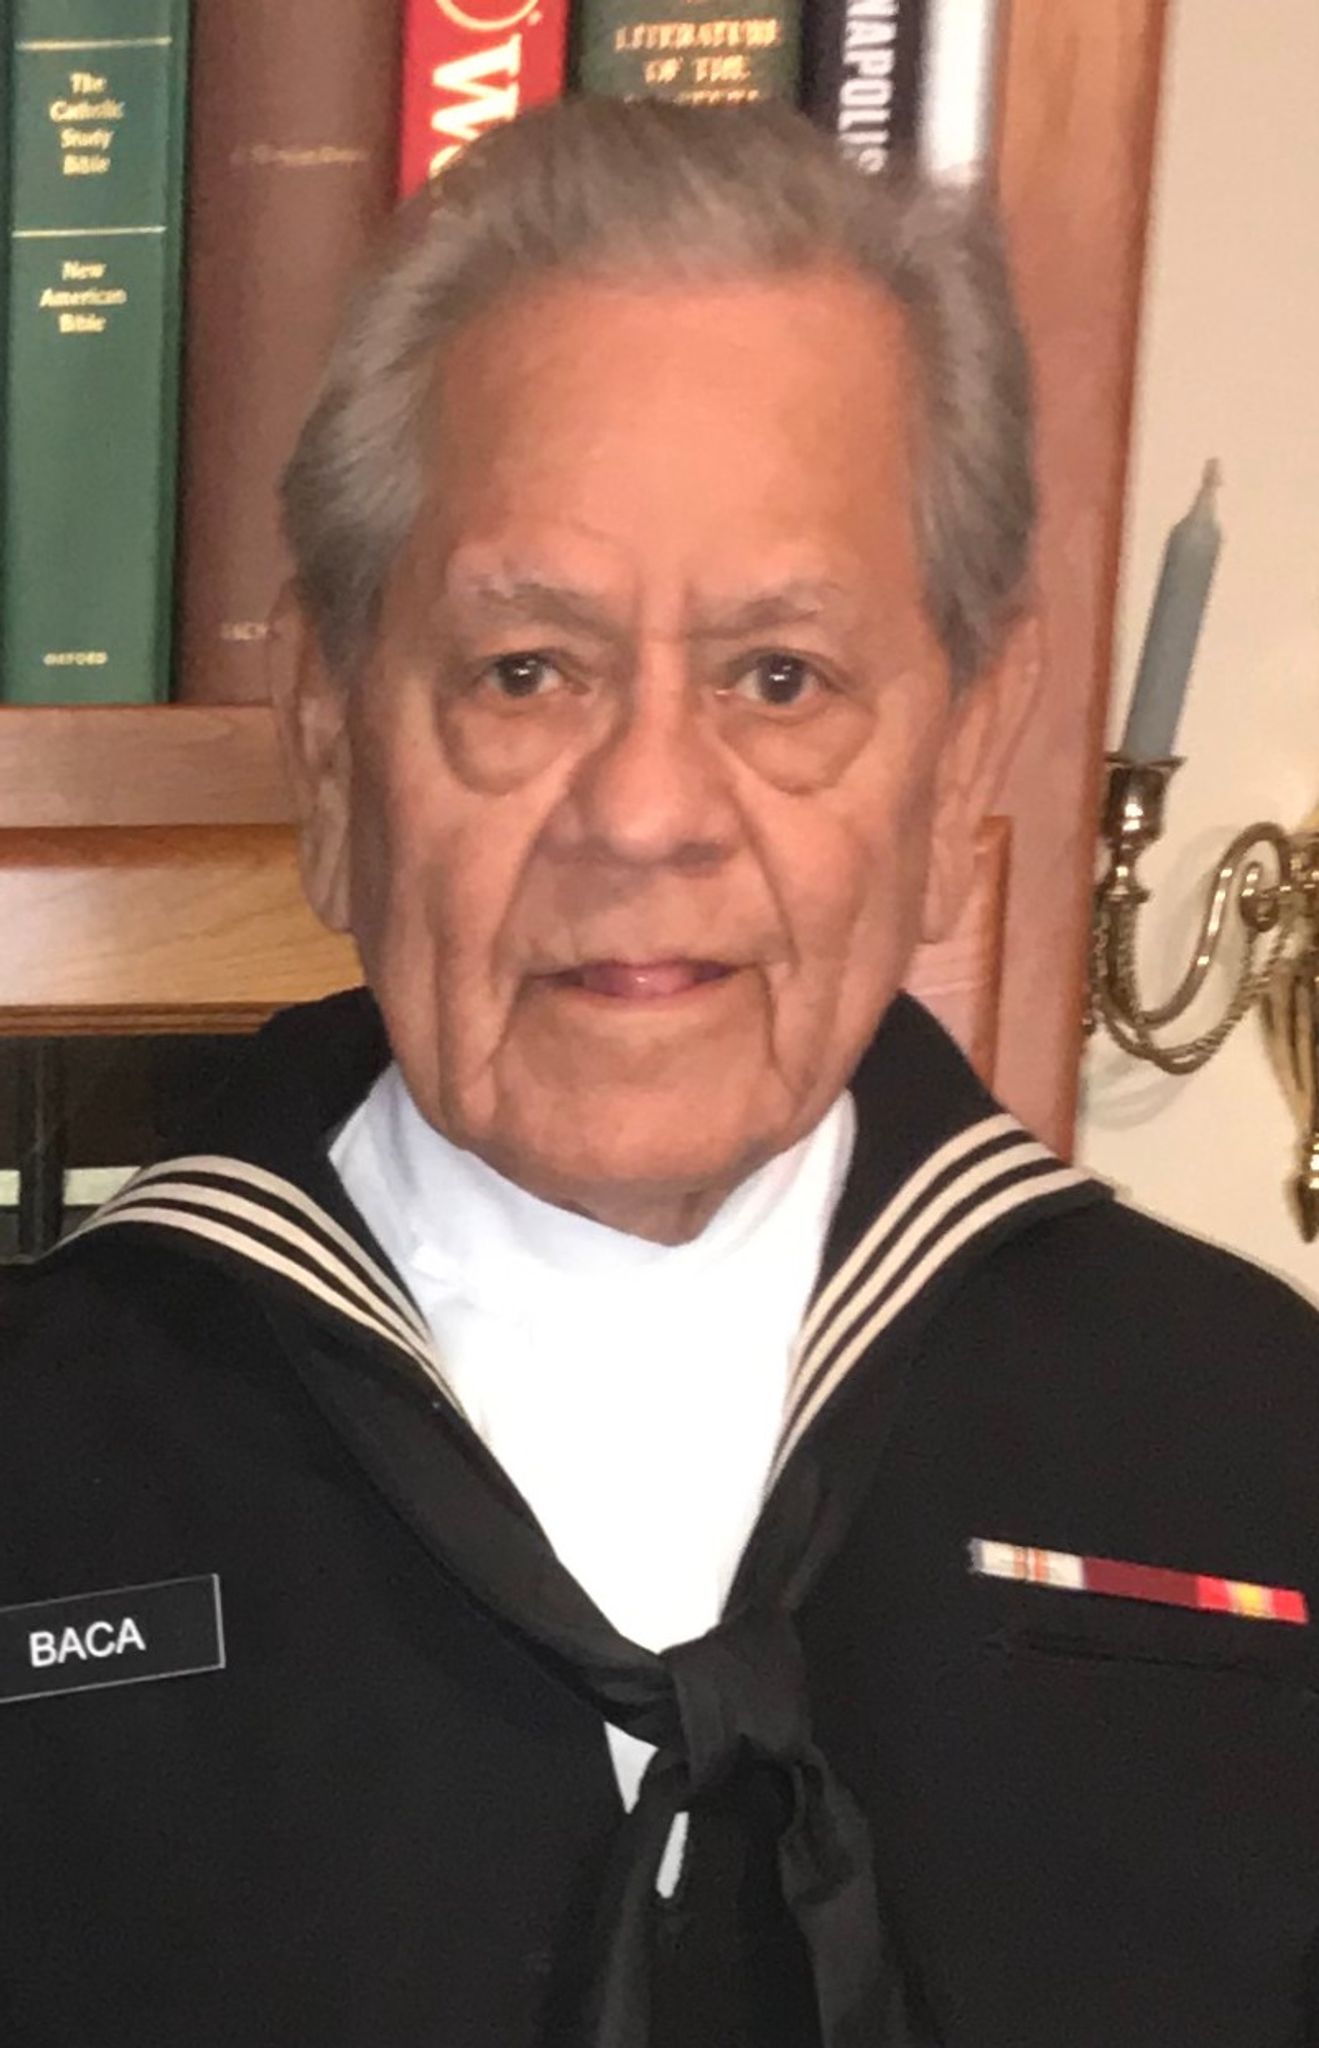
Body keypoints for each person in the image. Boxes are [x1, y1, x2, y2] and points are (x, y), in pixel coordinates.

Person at [2, 98, 1318, 2048]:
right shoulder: (37, 1465)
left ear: (964, 760)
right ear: (337, 755)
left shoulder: (1263, 1453)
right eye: (526, 669)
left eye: (779, 676)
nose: (643, 812)